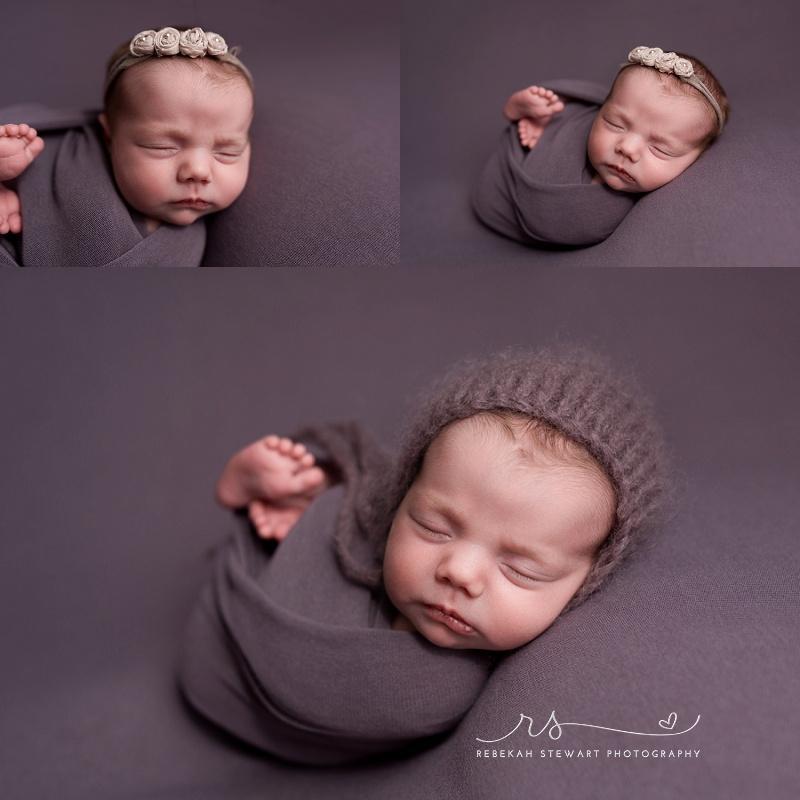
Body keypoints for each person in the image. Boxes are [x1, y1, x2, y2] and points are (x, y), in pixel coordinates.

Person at [178, 348, 668, 763]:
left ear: (588, 580)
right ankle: (290, 498)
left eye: (520, 569)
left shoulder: (437, 694)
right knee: (339, 514)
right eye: (435, 528)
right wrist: (322, 508)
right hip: (242, 612)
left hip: (239, 690)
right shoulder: (385, 506)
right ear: (405, 490)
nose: (458, 572)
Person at [0, 26, 253, 266]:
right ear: (109, 136)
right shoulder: (52, 155)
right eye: (162, 146)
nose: (198, 171)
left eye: (227, 151)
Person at [473, 46, 730, 246]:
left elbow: (548, 219)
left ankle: (541, 127)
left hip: (521, 201)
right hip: (543, 147)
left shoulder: (599, 215)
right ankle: (542, 120)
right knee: (570, 114)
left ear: (698, 156)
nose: (627, 148)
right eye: (615, 124)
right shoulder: (597, 115)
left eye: (660, 149)